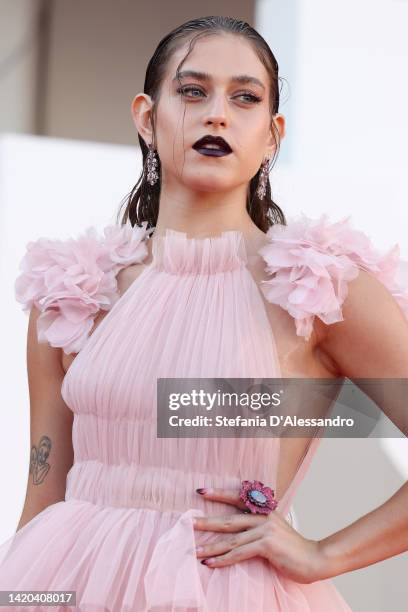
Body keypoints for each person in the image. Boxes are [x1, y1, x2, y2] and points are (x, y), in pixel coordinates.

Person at [1, 14, 408, 612]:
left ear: (273, 134)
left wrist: (325, 555)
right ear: (147, 116)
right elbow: (43, 501)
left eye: (245, 97)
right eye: (193, 91)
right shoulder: (73, 292)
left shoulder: (318, 288)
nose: (218, 113)